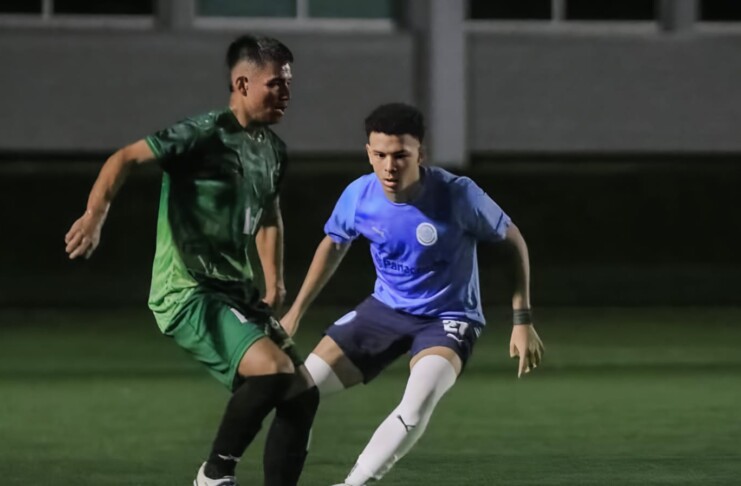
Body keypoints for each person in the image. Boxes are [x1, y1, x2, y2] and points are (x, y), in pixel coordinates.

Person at [64, 34, 318, 486]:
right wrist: (95, 214)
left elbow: (269, 216)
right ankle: (214, 476)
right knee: (273, 371)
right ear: (242, 84)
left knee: (301, 394)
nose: (286, 93)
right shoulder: (203, 133)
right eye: (275, 84)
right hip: (189, 289)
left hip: (235, 290)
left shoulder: (273, 150)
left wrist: (275, 282)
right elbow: (125, 157)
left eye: (288, 84)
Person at [280, 102, 544, 485]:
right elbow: (334, 244)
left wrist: (522, 319)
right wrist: (295, 312)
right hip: (384, 310)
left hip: (449, 318)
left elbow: (512, 240)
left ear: (421, 153)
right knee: (297, 392)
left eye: (400, 155)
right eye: (380, 155)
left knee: (416, 404)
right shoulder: (359, 195)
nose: (389, 166)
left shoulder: (458, 195)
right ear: (368, 153)